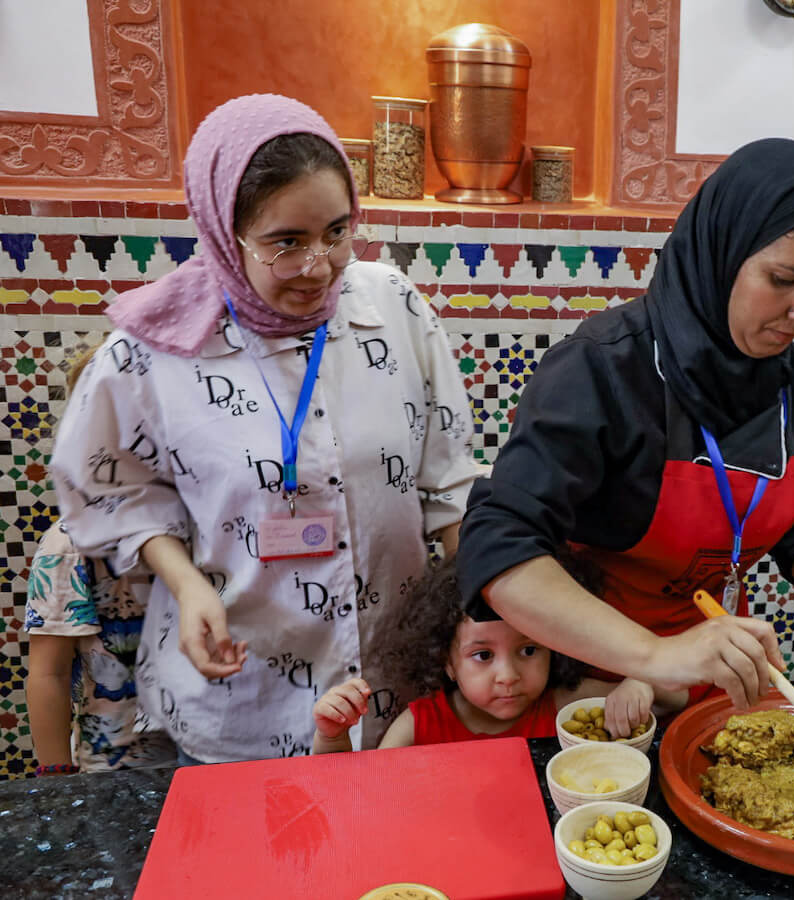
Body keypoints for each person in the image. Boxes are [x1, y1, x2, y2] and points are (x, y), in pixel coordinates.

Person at [459, 138, 794, 730]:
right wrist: (657, 657)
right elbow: (497, 547)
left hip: (722, 668)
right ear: (719, 253)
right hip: (592, 683)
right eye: (784, 279)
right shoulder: (601, 372)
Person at [49, 94, 478, 762]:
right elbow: (112, 492)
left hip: (392, 697)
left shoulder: (394, 309)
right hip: (241, 698)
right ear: (226, 233)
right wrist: (186, 584)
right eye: (286, 243)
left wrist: (484, 612)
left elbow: (447, 480)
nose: (318, 266)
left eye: (337, 231)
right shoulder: (152, 352)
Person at [312, 550, 686, 752]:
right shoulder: (419, 725)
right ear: (448, 662)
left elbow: (677, 697)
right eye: (483, 656)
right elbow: (367, 792)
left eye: (528, 651)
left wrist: (640, 684)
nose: (508, 676)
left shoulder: (565, 703)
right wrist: (332, 737)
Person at [26, 342, 177, 774]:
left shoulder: (212, 526)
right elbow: (49, 673)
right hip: (118, 772)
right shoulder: (70, 544)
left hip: (221, 760)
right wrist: (56, 781)